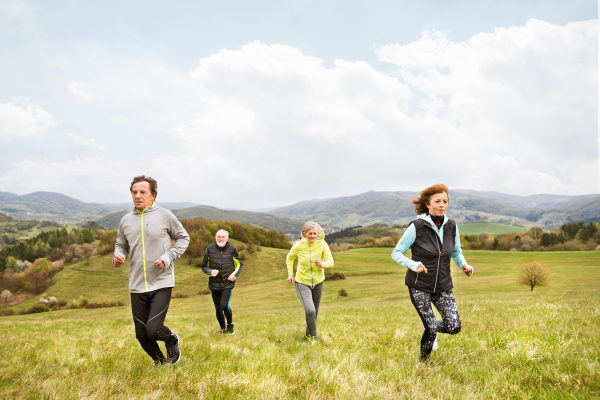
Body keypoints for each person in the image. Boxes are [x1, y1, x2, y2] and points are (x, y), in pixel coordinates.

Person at [391, 184, 473, 361]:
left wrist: (464, 266)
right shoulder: (417, 226)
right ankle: (424, 363)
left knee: (454, 326)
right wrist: (413, 265)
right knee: (430, 327)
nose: (442, 204)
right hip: (419, 285)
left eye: (445, 201)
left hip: (443, 285)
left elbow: (456, 252)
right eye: (437, 201)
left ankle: (431, 328)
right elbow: (396, 253)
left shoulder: (451, 226)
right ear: (428, 204)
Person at [113, 175, 190, 365]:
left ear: (153, 195)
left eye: (142, 192)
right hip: (137, 284)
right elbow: (121, 244)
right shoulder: (125, 220)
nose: (138, 196)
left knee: (153, 330)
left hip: (161, 282)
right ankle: (161, 363)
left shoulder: (165, 215)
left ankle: (171, 339)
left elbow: (183, 238)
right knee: (141, 335)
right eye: (134, 192)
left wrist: (168, 257)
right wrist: (118, 254)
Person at [286, 221, 334, 344]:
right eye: (310, 233)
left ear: (318, 233)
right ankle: (314, 338)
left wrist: (322, 264)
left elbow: (331, 262)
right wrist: (290, 274)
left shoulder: (323, 244)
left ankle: (307, 335)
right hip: (302, 282)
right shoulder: (298, 246)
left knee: (315, 312)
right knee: (310, 310)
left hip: (318, 282)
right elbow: (289, 258)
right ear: (304, 234)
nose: (312, 236)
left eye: (315, 233)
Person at [200, 229, 243, 334]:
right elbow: (204, 266)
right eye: (219, 237)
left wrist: (234, 275)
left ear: (227, 239)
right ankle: (223, 329)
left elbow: (239, 264)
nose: (221, 239)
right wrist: (210, 272)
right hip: (214, 283)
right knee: (218, 309)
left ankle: (230, 325)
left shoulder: (232, 249)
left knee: (224, 305)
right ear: (216, 238)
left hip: (227, 282)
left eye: (223, 237)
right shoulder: (209, 249)